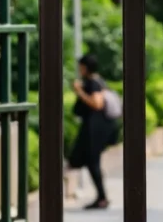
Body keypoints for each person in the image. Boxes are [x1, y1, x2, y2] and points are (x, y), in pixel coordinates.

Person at [68, 54, 118, 210]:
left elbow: (97, 104)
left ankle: (102, 197)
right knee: (88, 161)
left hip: (94, 129)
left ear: (85, 67)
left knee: (91, 161)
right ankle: (101, 196)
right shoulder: (99, 81)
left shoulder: (93, 83)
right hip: (94, 128)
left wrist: (79, 91)